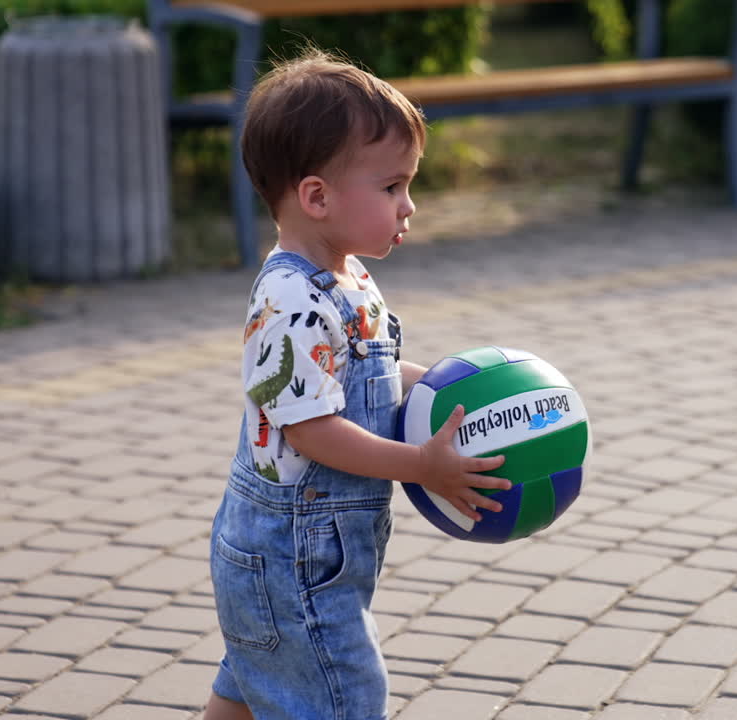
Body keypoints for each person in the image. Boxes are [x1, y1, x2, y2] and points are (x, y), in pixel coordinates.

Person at [204, 49, 510, 720]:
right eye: (392, 187)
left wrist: (434, 385)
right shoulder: (291, 299)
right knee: (344, 698)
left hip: (293, 560)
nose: (410, 205)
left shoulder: (345, 276)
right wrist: (420, 465)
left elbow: (357, 374)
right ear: (317, 197)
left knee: (252, 689)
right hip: (296, 561)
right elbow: (314, 430)